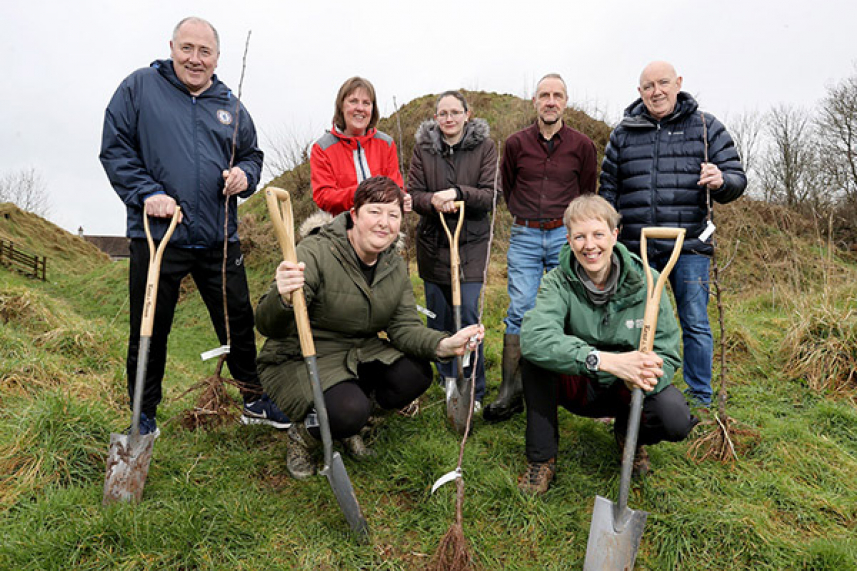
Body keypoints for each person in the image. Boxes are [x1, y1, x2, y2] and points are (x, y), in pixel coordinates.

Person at [99, 16, 290, 436]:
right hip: (158, 235)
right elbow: (115, 149)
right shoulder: (139, 88)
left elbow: (252, 155)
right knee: (150, 325)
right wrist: (148, 192)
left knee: (237, 319)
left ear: (217, 57)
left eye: (205, 51)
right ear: (171, 47)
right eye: (188, 48)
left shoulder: (230, 104)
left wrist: (245, 174)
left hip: (219, 235)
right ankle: (143, 415)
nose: (195, 58)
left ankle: (253, 398)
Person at [255, 176, 484, 480]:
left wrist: (445, 344)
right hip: (301, 353)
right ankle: (304, 435)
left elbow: (404, 327)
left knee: (416, 374)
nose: (384, 223)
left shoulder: (393, 264)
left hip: (360, 349)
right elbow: (266, 324)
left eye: (393, 215)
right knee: (348, 409)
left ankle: (351, 427)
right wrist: (282, 297)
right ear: (354, 216)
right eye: (374, 212)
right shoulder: (315, 252)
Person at [517, 195, 698, 494]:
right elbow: (535, 338)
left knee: (674, 417)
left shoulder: (649, 281)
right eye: (580, 236)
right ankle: (542, 459)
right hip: (580, 384)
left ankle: (629, 435)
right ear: (569, 240)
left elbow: (667, 352)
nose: (590, 245)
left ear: (615, 235)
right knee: (533, 362)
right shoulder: (558, 282)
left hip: (627, 392)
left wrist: (640, 377)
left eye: (598, 234)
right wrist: (601, 360)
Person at [599, 61, 747, 406]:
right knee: (627, 320)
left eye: (663, 83)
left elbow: (736, 179)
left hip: (690, 244)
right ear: (640, 93)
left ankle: (699, 396)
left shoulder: (705, 127)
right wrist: (607, 234)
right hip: (635, 244)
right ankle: (622, 388)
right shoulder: (623, 133)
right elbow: (608, 189)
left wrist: (721, 181)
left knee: (694, 320)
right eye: (648, 86)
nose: (656, 91)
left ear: (678, 83)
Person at [483, 73, 598, 423]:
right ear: (534, 101)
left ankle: (577, 387)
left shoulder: (582, 146)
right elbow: (509, 186)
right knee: (520, 308)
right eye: (544, 95)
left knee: (574, 308)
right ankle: (511, 390)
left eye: (557, 95)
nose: (550, 101)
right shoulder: (516, 143)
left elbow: (587, 192)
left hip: (566, 237)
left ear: (565, 102)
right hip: (526, 236)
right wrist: (529, 214)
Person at [408, 91, 497, 409]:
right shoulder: (423, 149)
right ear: (435, 117)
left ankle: (474, 386)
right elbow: (413, 194)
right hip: (433, 244)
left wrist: (457, 192)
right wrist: (431, 200)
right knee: (439, 318)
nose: (448, 119)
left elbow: (489, 196)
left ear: (467, 114)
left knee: (469, 315)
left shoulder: (485, 148)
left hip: (471, 243)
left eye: (454, 112)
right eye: (442, 113)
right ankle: (449, 379)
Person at [309, 76, 409, 215]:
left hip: (381, 224)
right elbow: (324, 198)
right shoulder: (322, 148)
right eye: (353, 101)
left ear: (373, 109)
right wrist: (364, 193)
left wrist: (402, 198)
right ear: (341, 106)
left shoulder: (386, 143)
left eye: (366, 103)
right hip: (341, 227)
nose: (360, 108)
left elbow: (396, 187)